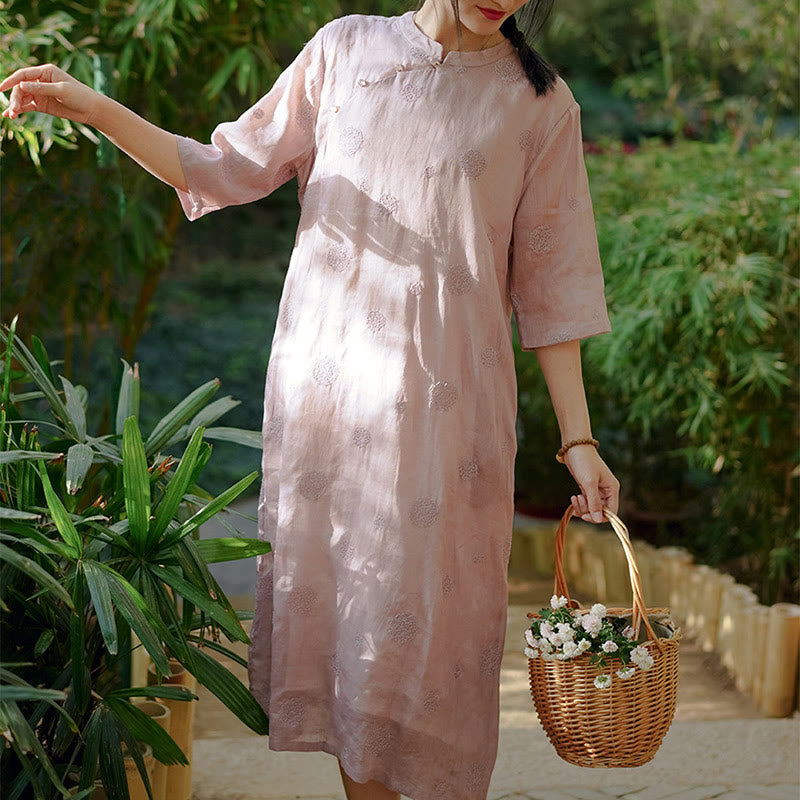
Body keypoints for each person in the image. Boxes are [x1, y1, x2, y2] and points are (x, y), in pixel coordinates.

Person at [1, 1, 620, 797]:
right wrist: (90, 105)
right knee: (356, 644)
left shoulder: (540, 103)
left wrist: (579, 441)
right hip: (332, 405)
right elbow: (222, 166)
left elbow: (554, 287)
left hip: (450, 420)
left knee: (432, 660)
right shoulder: (344, 51)